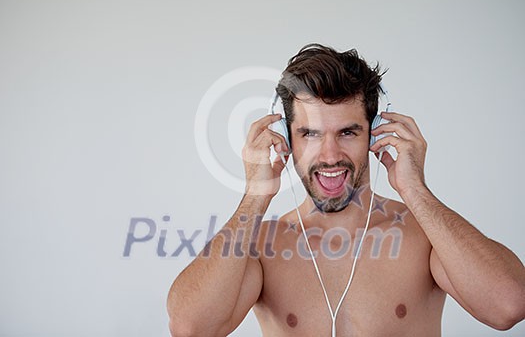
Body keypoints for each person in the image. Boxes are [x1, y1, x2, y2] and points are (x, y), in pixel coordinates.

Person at [167, 44, 525, 336]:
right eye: (310, 133)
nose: (330, 155)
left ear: (375, 132)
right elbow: (190, 327)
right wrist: (256, 195)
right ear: (286, 139)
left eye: (348, 132)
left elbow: (509, 305)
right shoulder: (262, 247)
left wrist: (414, 190)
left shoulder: (423, 236)